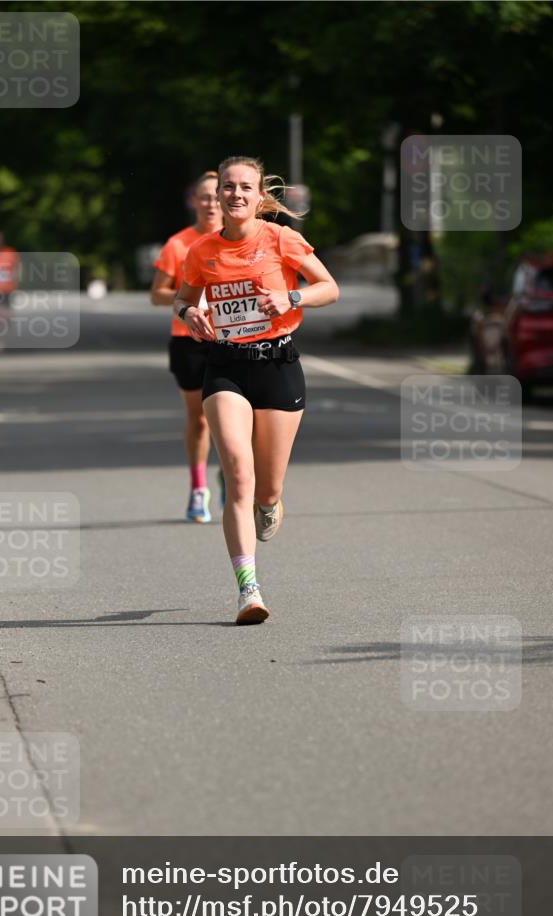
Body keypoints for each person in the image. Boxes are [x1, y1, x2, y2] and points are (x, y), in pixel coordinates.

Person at [174, 155, 339, 625]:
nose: (236, 195)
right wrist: (190, 315)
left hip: (278, 365)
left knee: (266, 488)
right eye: (228, 187)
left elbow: (328, 287)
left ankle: (270, 502)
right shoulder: (201, 251)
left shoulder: (281, 238)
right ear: (218, 194)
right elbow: (184, 299)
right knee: (238, 476)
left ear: (259, 194)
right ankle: (249, 590)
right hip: (225, 367)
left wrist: (291, 297)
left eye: (245, 187)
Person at [151, 171, 224, 523]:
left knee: (240, 418)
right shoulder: (178, 244)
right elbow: (157, 294)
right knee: (200, 420)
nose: (210, 203)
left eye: (215, 196)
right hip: (188, 340)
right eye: (203, 197)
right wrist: (188, 302)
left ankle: (231, 474)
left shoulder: (241, 242)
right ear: (192, 201)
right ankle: (198, 489)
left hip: (233, 338)